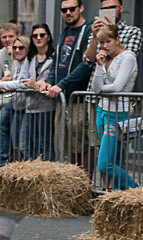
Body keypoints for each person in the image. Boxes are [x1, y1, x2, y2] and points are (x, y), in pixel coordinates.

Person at [42, 0, 93, 170]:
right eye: (64, 10)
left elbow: (86, 64)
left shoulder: (88, 30)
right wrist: (49, 82)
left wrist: (62, 84)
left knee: (81, 145)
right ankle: (72, 182)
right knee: (65, 144)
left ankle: (85, 183)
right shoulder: (65, 31)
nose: (68, 13)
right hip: (61, 98)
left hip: (79, 97)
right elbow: (57, 61)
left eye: (72, 9)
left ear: (81, 8)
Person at [92, 24, 138, 191]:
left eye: (108, 41)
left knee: (105, 164)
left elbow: (117, 87)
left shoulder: (128, 57)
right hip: (101, 111)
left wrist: (100, 91)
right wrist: (99, 66)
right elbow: (95, 87)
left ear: (117, 40)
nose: (104, 46)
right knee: (115, 160)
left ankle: (136, 190)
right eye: (101, 42)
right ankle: (121, 195)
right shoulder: (107, 59)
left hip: (117, 114)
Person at [0, 36, 31, 165]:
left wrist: (1, 84)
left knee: (22, 143)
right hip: (15, 103)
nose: (17, 50)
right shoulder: (12, 61)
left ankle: (22, 169)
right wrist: (1, 82)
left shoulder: (30, 61)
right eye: (15, 48)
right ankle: (5, 162)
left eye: (21, 48)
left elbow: (23, 83)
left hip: (29, 106)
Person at [21, 24, 57, 161]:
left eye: (42, 35)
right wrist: (32, 85)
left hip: (46, 106)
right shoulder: (30, 58)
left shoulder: (53, 57)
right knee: (32, 144)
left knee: (45, 143)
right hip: (30, 107)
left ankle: (47, 174)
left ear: (48, 37)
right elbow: (23, 79)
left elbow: (51, 81)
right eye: (35, 36)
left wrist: (36, 85)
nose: (38, 38)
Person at [0, 22, 21, 167]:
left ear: (18, 36)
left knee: (17, 133)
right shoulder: (0, 54)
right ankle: (4, 161)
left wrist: (13, 55)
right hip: (8, 99)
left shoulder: (22, 49)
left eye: (11, 36)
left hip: (23, 98)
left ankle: (18, 162)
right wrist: (1, 81)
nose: (7, 40)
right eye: (4, 37)